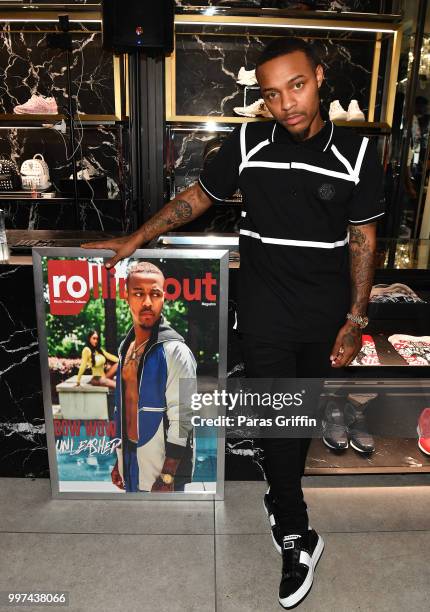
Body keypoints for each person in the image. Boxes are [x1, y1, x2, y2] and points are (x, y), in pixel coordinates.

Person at [82, 37, 384, 609]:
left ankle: (281, 499)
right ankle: (297, 533)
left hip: (323, 312)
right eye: (272, 94)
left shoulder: (360, 152)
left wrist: (354, 318)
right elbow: (196, 198)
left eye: (296, 86)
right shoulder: (247, 140)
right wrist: (135, 239)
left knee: (300, 416)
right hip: (265, 307)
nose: (287, 103)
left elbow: (364, 239)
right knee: (277, 416)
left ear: (319, 78)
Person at [110, 261, 197, 494]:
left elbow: (183, 418)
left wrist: (168, 475)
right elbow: (123, 409)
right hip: (130, 458)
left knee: (169, 529)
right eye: (138, 294)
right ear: (126, 297)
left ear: (163, 299)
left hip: (161, 469)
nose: (147, 302)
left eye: (155, 294)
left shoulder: (176, 351)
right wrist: (118, 462)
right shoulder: (125, 349)